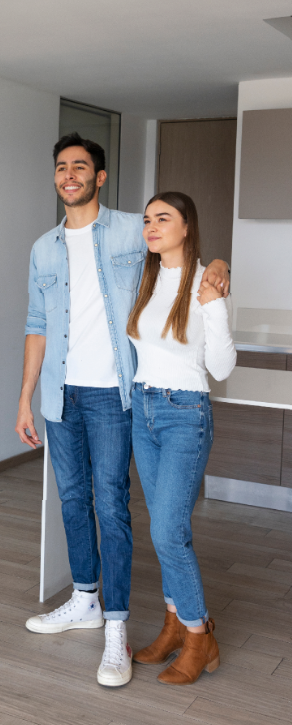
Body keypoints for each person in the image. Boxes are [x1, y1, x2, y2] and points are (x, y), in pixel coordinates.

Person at [15, 133, 229, 688]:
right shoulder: (42, 248)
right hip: (61, 393)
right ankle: (84, 597)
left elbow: (187, 242)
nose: (69, 174)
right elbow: (37, 326)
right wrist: (25, 397)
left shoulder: (134, 228)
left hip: (116, 393)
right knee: (70, 501)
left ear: (99, 177)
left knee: (112, 506)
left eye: (80, 166)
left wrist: (220, 265)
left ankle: (117, 625)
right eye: (61, 166)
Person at [128, 192, 235, 685]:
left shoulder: (205, 284)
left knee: (167, 532)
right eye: (148, 219)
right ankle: (173, 625)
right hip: (143, 409)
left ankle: (199, 635)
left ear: (186, 226)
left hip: (184, 413)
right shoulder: (147, 279)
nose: (151, 226)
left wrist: (214, 303)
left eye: (163, 218)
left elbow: (221, 367)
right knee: (169, 530)